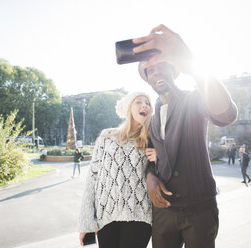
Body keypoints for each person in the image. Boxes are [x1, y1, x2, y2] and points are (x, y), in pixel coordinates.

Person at [133, 25, 238, 248]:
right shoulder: (151, 119)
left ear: (175, 69)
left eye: (161, 66)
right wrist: (150, 177)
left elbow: (226, 114)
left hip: (199, 210)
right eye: (149, 71)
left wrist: (192, 64)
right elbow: (150, 159)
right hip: (163, 211)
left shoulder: (195, 99)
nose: (156, 73)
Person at [78, 92, 157, 248]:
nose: (144, 106)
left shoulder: (153, 139)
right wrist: (86, 222)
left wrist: (161, 156)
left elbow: (168, 168)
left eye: (148, 103)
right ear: (129, 108)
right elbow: (92, 179)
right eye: (138, 102)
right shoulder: (107, 136)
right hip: (106, 216)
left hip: (139, 215)